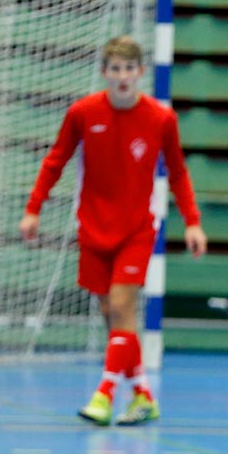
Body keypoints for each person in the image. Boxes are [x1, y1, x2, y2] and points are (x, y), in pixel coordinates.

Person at [19, 36, 206, 426]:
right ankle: (143, 396)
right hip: (93, 228)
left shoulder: (160, 119)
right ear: (105, 73)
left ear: (140, 73)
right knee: (111, 314)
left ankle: (103, 396)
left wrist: (192, 221)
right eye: (115, 69)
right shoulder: (83, 113)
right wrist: (33, 208)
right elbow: (55, 160)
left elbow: (178, 171)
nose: (123, 77)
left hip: (137, 229)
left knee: (123, 307)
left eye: (129, 69)